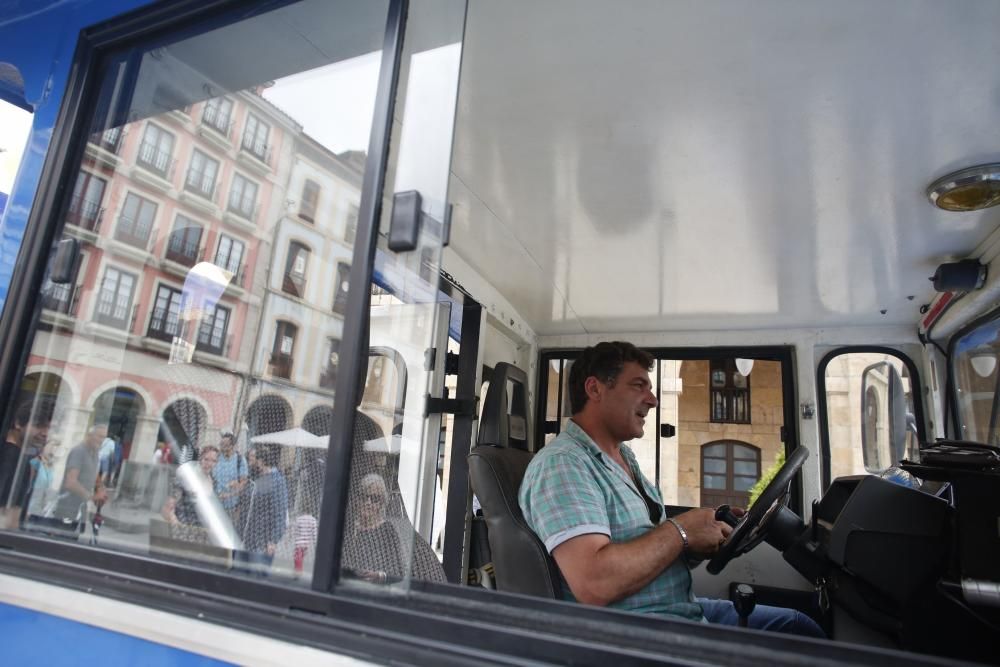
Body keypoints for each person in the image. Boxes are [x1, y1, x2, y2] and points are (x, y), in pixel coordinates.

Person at [519, 342, 823, 636]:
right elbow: (595, 583)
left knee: (798, 626)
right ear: (595, 389)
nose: (653, 400)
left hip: (680, 609)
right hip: (640, 634)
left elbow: (650, 546)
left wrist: (699, 536)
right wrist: (681, 531)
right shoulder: (564, 464)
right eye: (639, 386)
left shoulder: (623, 457)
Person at [0, 398, 55, 529]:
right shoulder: (14, 460)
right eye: (38, 425)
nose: (45, 433)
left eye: (50, 427)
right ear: (18, 423)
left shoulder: (12, 452)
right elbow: (8, 518)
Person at [236, 443, 288, 576]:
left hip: (261, 542)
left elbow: (280, 513)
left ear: (261, 461)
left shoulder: (277, 481)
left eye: (252, 458)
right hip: (246, 538)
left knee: (256, 578)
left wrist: (273, 541)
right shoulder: (257, 478)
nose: (249, 461)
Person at [343, 473, 402, 584]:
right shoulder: (349, 527)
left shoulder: (387, 531)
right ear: (357, 499)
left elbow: (398, 572)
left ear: (381, 503)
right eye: (364, 497)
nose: (368, 503)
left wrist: (380, 576)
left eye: (375, 499)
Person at [52, 424, 109, 535]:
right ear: (89, 435)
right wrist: (92, 497)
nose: (102, 440)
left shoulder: (95, 452)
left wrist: (100, 489)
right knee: (63, 539)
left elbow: (93, 473)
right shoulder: (79, 451)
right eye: (99, 436)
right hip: (67, 506)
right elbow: (70, 482)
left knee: (74, 538)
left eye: (104, 437)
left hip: (80, 506)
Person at [161, 444, 220, 527]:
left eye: (213, 461)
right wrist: (175, 522)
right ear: (200, 459)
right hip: (182, 525)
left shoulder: (215, 483)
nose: (209, 464)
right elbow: (169, 505)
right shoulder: (187, 477)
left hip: (201, 530)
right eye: (206, 459)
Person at [212, 431, 247, 523]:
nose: (221, 446)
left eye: (224, 444)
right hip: (213, 504)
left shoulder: (240, 460)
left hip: (231, 506)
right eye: (221, 443)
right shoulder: (216, 457)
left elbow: (243, 483)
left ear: (232, 446)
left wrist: (231, 492)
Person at [26, 441, 58, 519]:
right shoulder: (35, 462)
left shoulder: (52, 466)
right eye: (51, 447)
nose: (53, 450)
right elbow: (29, 483)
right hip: (34, 501)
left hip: (45, 504)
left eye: (55, 448)